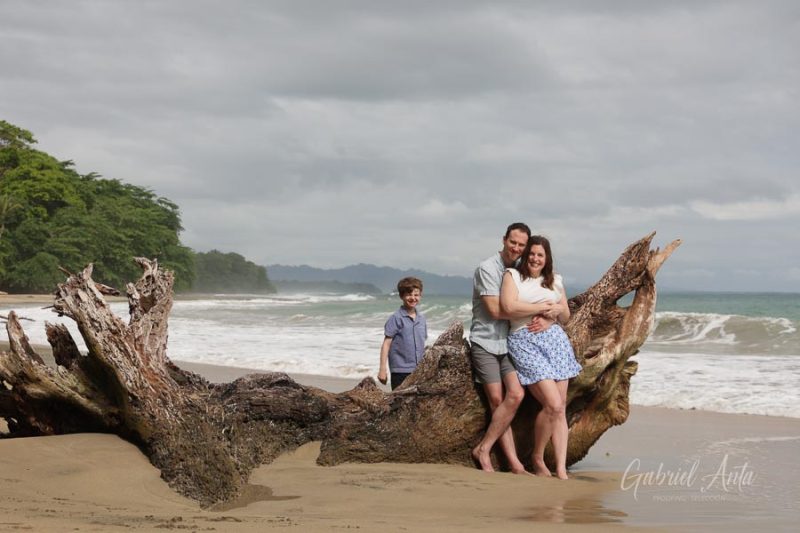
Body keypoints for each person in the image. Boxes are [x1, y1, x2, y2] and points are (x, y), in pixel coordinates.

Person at [470, 222, 553, 474]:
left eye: (521, 245)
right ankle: (509, 461)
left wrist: (551, 315)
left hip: (508, 343)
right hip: (484, 342)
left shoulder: (519, 270)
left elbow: (536, 297)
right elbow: (497, 310)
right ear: (504, 239)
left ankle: (486, 448)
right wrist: (540, 308)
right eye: (512, 242)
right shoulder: (487, 268)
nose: (516, 248)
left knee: (515, 395)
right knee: (496, 399)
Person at [500, 235, 581, 479]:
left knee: (560, 408)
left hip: (555, 342)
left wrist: (555, 312)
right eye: (532, 254)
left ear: (547, 259)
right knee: (553, 404)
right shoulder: (513, 276)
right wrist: (542, 309)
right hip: (524, 341)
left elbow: (566, 315)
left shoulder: (555, 281)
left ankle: (559, 468)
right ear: (526, 255)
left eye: (540, 255)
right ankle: (537, 457)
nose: (535, 258)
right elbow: (508, 307)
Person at [378, 277, 428, 390]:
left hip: (419, 370)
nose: (413, 298)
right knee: (399, 403)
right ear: (401, 296)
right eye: (409, 294)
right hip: (400, 371)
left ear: (420, 296)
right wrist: (382, 369)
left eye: (416, 295)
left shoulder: (422, 319)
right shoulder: (396, 318)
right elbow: (386, 344)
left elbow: (422, 344)